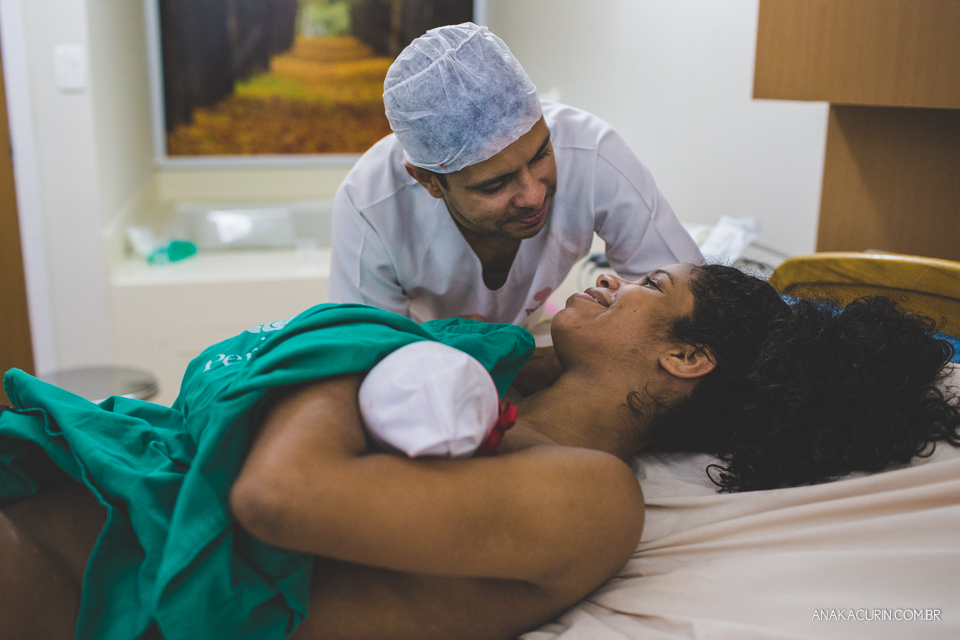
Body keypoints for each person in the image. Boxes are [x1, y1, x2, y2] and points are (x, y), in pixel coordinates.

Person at [2, 265, 959, 640]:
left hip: (70, 571)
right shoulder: (493, 381)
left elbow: (280, 498)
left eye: (648, 285)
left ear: (687, 356)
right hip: (62, 471)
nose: (610, 276)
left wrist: (358, 345)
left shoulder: (593, 498)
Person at [329, 22, 702, 331]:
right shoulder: (369, 202)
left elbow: (694, 305)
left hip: (531, 340)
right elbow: (368, 353)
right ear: (430, 181)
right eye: (495, 185)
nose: (534, 195)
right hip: (426, 361)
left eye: (541, 154)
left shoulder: (592, 151)